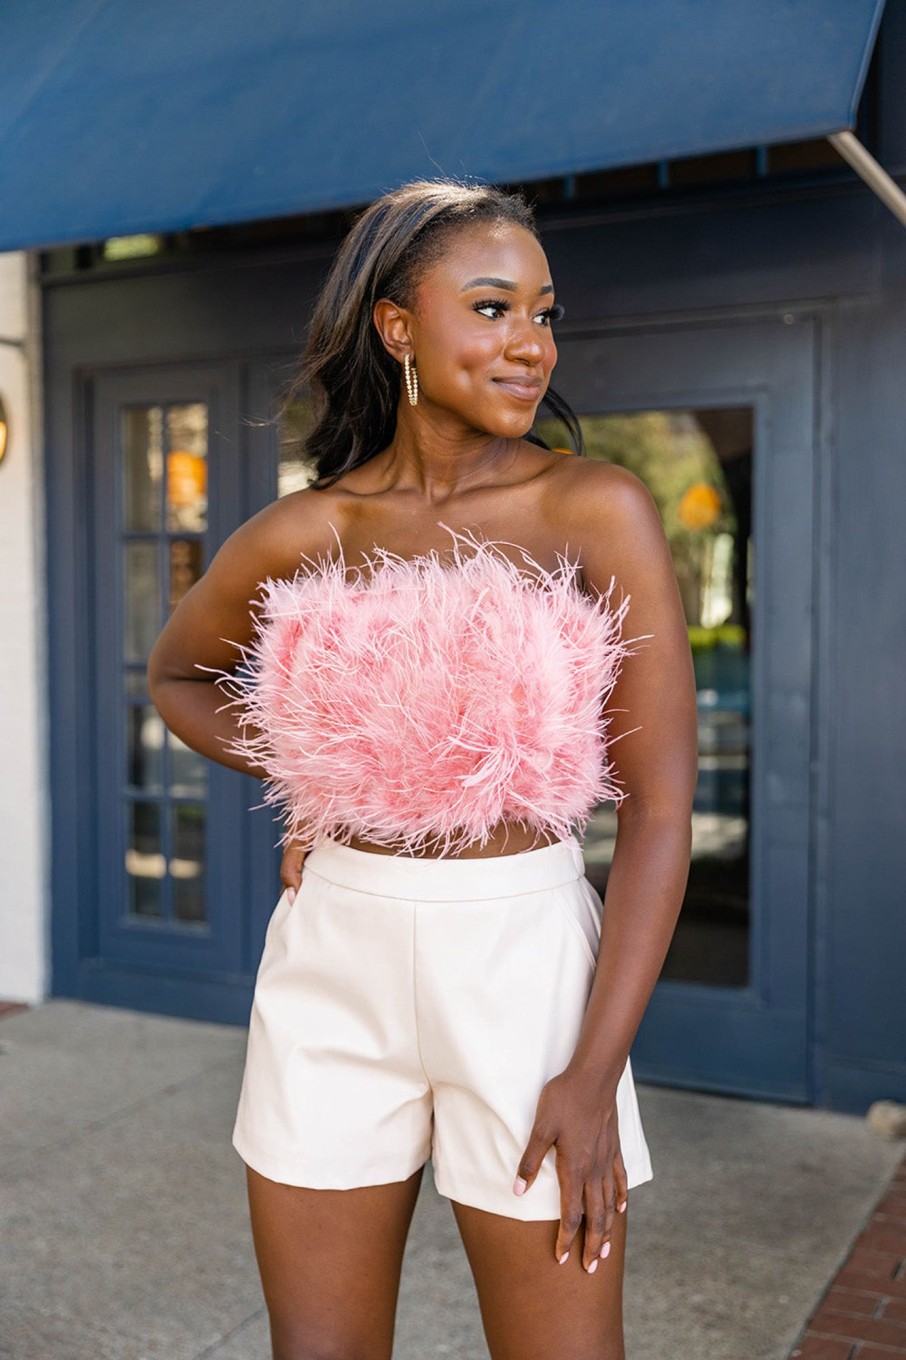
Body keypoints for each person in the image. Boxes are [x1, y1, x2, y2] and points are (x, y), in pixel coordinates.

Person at [148, 179, 698, 1360]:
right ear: (398, 326)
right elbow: (181, 678)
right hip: (333, 956)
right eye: (492, 307)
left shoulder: (591, 508)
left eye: (544, 313)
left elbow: (659, 807)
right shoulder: (312, 529)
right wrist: (333, 778)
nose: (530, 344)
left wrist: (594, 1076)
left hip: (525, 972)